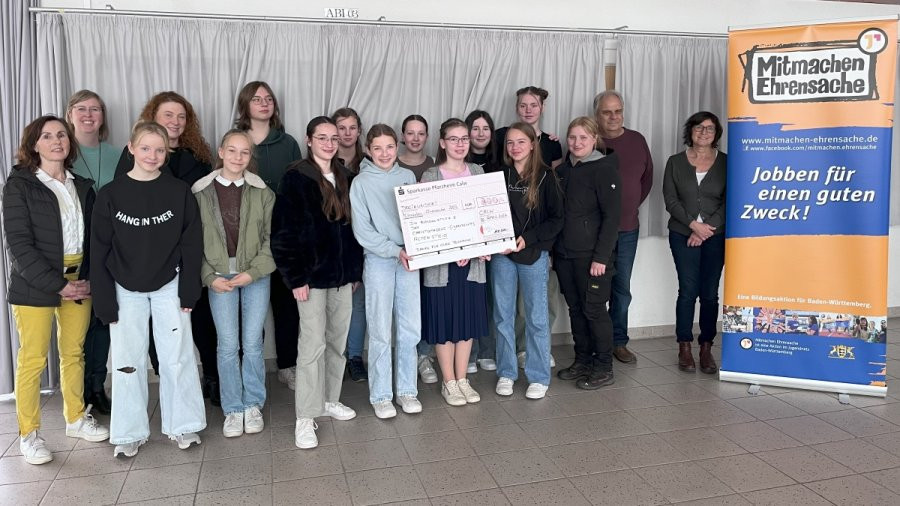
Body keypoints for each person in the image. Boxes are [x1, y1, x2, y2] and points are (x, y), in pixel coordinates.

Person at [92, 121, 205, 458]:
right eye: (145, 148)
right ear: (131, 148)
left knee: (178, 358)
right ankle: (129, 433)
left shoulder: (179, 192)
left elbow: (192, 244)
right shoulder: (110, 194)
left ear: (166, 152)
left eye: (159, 150)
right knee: (127, 361)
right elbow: (99, 250)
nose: (152, 155)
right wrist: (104, 301)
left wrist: (189, 290)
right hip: (124, 288)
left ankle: (183, 424)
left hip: (169, 285)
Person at [4, 115, 109, 465]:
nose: (56, 141)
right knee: (33, 359)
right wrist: (59, 285)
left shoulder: (83, 185)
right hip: (36, 282)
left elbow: (95, 238)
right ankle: (29, 434)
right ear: (34, 144)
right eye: (47, 136)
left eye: (61, 134)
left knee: (74, 353)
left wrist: (89, 278)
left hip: (80, 281)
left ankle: (76, 418)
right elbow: (19, 246)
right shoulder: (20, 185)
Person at [113, 91, 219, 406]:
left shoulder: (200, 156)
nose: (175, 121)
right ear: (153, 118)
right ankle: (166, 380)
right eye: (168, 115)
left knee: (201, 317)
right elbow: (123, 204)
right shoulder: (138, 154)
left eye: (181, 116)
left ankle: (212, 376)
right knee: (156, 326)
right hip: (152, 255)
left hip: (193, 247)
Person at [272, 117, 364, 448]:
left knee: (337, 342)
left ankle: (329, 399)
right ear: (309, 140)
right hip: (309, 280)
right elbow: (283, 233)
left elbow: (353, 231)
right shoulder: (296, 177)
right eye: (322, 137)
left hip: (342, 278)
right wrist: (295, 277)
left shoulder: (346, 176)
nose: (329, 143)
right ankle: (305, 416)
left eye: (333, 138)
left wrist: (354, 271)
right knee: (312, 347)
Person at [193, 129, 275, 438]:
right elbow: (192, 242)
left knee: (252, 343)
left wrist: (253, 272)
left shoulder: (262, 192)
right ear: (221, 151)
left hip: (254, 275)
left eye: (245, 152)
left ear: (250, 156)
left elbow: (271, 239)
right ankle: (233, 408)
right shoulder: (201, 192)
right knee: (227, 344)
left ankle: (253, 404)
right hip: (218, 277)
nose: (238, 157)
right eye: (232, 150)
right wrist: (208, 276)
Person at [350, 124, 423, 419]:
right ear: (368, 150)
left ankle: (407, 390)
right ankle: (381, 395)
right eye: (377, 148)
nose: (384, 153)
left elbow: (418, 219)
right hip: (380, 260)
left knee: (410, 327)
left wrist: (416, 247)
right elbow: (362, 231)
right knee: (380, 329)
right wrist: (394, 250)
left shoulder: (407, 177)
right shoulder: (360, 183)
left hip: (409, 259)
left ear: (397, 147)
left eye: (389, 147)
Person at [234, 81, 303, 391]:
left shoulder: (287, 143)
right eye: (257, 99)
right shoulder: (236, 141)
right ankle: (249, 370)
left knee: (286, 306)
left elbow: (299, 188)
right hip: (246, 240)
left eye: (269, 98)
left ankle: (288, 366)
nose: (264, 103)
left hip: (283, 237)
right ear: (245, 105)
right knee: (250, 310)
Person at [420, 119, 489, 406]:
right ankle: (448, 381)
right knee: (444, 323)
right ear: (442, 142)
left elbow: (485, 216)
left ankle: (463, 379)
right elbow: (427, 223)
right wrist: (452, 250)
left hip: (472, 265)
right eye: (454, 139)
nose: (460, 144)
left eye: (464, 138)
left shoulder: (478, 172)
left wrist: (484, 246)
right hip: (441, 267)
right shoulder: (430, 176)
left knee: (466, 322)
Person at [493, 122, 564, 400]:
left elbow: (557, 219)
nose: (515, 147)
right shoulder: (499, 175)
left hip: (533, 254)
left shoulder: (547, 176)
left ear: (533, 144)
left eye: (521, 142)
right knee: (503, 316)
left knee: (535, 317)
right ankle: (506, 372)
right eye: (510, 142)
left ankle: (538, 376)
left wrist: (529, 238)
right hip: (502, 256)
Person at [554, 117, 621, 389]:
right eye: (572, 137)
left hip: (592, 257)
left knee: (594, 310)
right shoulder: (562, 171)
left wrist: (601, 258)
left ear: (594, 139)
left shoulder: (604, 169)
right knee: (576, 309)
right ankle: (582, 360)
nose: (577, 142)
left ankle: (604, 367)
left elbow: (612, 218)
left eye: (583, 137)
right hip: (565, 255)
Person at [65, 89, 119, 414]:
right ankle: (78, 391)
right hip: (73, 249)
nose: (88, 115)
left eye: (95, 109)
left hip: (110, 248)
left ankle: (97, 387)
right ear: (70, 114)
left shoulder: (118, 154)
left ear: (102, 116)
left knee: (101, 320)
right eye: (81, 109)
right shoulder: (61, 153)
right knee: (76, 325)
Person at [663, 111, 726, 375]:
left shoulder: (726, 162)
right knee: (688, 290)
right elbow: (671, 200)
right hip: (681, 233)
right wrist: (693, 225)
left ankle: (706, 347)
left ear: (716, 133)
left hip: (715, 235)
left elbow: (731, 200)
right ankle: (685, 346)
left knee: (710, 293)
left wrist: (704, 230)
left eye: (709, 128)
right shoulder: (675, 162)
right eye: (698, 127)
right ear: (690, 131)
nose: (703, 132)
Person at [594, 90, 653, 364]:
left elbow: (647, 179)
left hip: (628, 228)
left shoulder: (637, 140)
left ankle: (619, 342)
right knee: (596, 288)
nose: (613, 117)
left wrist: (628, 206)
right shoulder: (589, 140)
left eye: (618, 111)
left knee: (621, 288)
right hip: (596, 232)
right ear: (597, 115)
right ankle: (597, 342)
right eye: (607, 112)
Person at [332, 107, 368, 383]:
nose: (347, 133)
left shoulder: (369, 163)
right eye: (341, 128)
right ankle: (334, 358)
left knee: (357, 305)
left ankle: (354, 357)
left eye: (352, 128)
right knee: (332, 307)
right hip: (334, 244)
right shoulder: (323, 163)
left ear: (359, 131)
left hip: (362, 244)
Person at [464, 110, 500, 373]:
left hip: (494, 240)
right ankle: (470, 352)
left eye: (485, 128)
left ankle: (487, 350)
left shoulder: (502, 162)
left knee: (490, 298)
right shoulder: (459, 162)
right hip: (466, 240)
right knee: (470, 297)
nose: (480, 133)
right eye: (475, 128)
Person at [397, 114, 435, 181]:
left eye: (421, 134)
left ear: (426, 137)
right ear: (403, 136)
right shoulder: (391, 164)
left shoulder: (436, 163)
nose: (416, 139)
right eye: (410, 133)